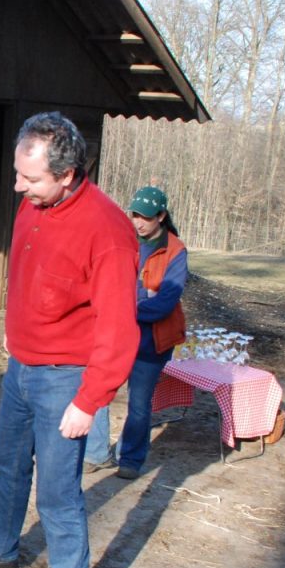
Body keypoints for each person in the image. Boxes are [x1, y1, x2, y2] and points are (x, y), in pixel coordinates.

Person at [0, 112, 139, 568]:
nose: (17, 186)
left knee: (58, 492)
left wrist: (89, 400)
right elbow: (25, 275)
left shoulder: (108, 230)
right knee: (5, 464)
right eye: (16, 173)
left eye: (29, 179)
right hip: (21, 367)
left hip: (66, 379)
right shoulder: (33, 206)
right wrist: (13, 331)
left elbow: (121, 330)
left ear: (68, 173)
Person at [85, 186, 188, 480]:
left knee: (139, 403)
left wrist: (125, 308)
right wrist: (138, 300)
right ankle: (96, 453)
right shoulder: (125, 240)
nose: (138, 222)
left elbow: (165, 304)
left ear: (161, 216)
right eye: (134, 215)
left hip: (151, 340)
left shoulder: (175, 251)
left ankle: (130, 457)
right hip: (118, 333)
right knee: (100, 389)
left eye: (144, 217)